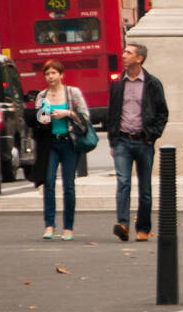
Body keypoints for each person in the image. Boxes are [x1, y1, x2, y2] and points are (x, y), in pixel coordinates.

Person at [106, 43, 169, 242]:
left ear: (139, 59)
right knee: (123, 182)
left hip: (144, 141)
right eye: (124, 51)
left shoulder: (152, 84)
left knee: (145, 188)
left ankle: (143, 227)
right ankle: (123, 224)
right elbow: (112, 113)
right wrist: (113, 140)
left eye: (128, 52)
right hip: (122, 141)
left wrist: (152, 135)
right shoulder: (117, 84)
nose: (123, 55)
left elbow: (162, 113)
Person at [31, 61, 92, 240]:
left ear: (61, 74)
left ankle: (68, 227)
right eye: (47, 74)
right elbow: (39, 122)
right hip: (51, 144)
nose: (50, 77)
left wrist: (68, 114)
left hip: (69, 143)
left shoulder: (73, 93)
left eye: (53, 73)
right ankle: (49, 225)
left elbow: (85, 118)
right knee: (49, 182)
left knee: (69, 185)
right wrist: (44, 117)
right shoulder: (42, 96)